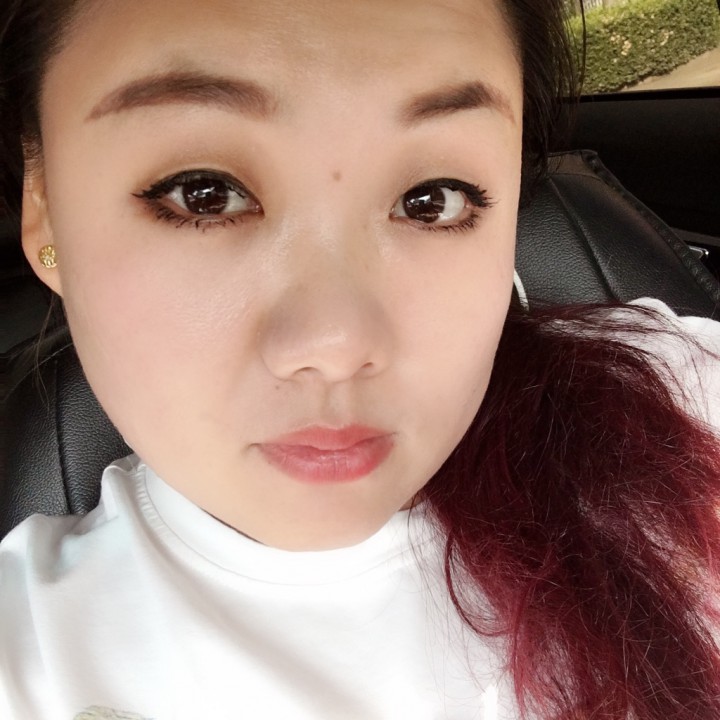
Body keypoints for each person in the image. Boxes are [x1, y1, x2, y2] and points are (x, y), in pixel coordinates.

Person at [1, 0, 720, 718]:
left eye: (432, 199)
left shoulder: (680, 398)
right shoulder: (29, 656)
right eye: (204, 194)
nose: (337, 347)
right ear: (45, 206)